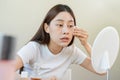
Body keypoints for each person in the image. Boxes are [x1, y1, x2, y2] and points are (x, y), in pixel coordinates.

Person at [15, 4, 105, 80]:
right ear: (47, 28)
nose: (66, 31)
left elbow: (102, 70)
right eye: (60, 25)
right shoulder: (34, 48)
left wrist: (85, 44)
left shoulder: (71, 51)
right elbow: (4, 70)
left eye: (70, 25)